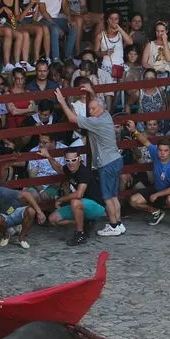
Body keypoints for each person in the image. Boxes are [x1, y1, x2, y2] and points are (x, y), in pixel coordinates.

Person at [55, 87, 125, 236]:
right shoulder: (106, 115)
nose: (90, 111)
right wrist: (91, 92)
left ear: (100, 108)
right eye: (90, 108)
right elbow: (97, 103)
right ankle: (118, 224)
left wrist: (62, 102)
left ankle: (113, 226)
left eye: (93, 109)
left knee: (107, 197)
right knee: (113, 195)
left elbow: (72, 119)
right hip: (116, 160)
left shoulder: (95, 122)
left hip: (106, 163)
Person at [46, 149, 105, 246]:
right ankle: (85, 222)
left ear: (79, 159)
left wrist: (60, 200)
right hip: (80, 206)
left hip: (96, 206)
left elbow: (79, 194)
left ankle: (80, 234)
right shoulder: (68, 169)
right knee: (53, 219)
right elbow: (59, 168)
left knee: (75, 201)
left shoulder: (84, 171)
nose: (71, 163)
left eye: (73, 160)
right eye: (68, 161)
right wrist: (48, 156)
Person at [125, 130, 170, 229]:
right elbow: (145, 142)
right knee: (134, 200)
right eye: (160, 150)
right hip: (157, 188)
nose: (162, 153)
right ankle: (156, 212)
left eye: (166, 151)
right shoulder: (156, 154)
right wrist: (134, 131)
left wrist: (156, 195)